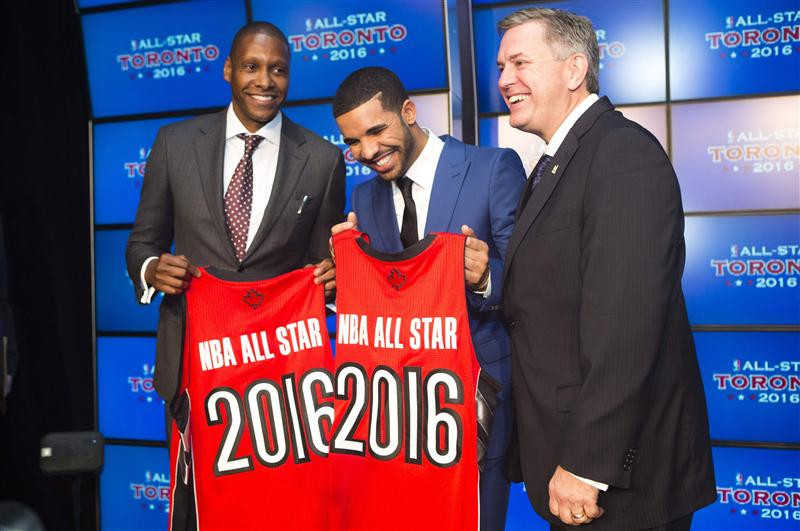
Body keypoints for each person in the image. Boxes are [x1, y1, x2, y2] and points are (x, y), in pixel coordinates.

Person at [496, 8, 716, 530]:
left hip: (614, 482)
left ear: (574, 71)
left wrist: (587, 465)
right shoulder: (560, 160)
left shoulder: (621, 154)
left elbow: (627, 329)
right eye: (502, 65)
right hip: (570, 463)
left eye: (521, 61)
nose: (505, 79)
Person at [331, 66, 526, 531]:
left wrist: (483, 280)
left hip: (477, 393)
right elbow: (383, 302)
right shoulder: (364, 196)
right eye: (354, 142)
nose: (369, 152)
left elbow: (532, 284)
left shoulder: (492, 168)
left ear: (409, 111)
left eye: (377, 131)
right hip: (395, 407)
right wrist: (345, 285)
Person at [125, 22, 345, 412]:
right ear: (229, 70)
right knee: (191, 476)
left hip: (279, 373)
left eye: (278, 69)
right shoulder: (173, 144)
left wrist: (330, 281)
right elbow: (143, 242)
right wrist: (151, 269)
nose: (265, 81)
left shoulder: (323, 161)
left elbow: (320, 266)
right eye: (251, 67)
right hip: (192, 361)